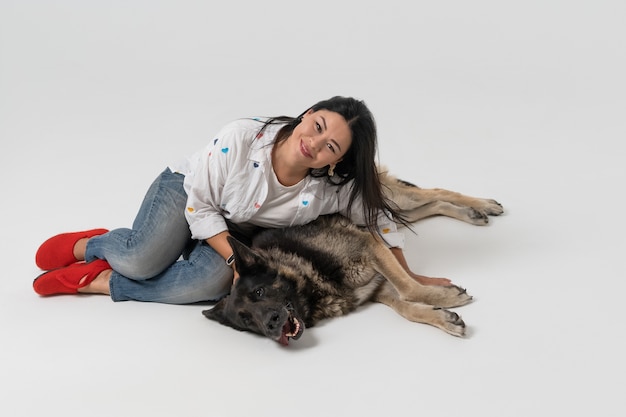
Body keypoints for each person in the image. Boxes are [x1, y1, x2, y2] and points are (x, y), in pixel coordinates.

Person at [33, 96, 451, 304]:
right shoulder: (241, 137)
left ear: (336, 161)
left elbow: (377, 219)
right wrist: (237, 261)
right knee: (142, 258)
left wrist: (410, 278)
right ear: (306, 114)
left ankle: (103, 282)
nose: (315, 144)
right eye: (318, 126)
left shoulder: (327, 189)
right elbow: (199, 207)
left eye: (331, 147)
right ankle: (96, 245)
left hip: (231, 229)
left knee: (209, 285)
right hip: (188, 192)